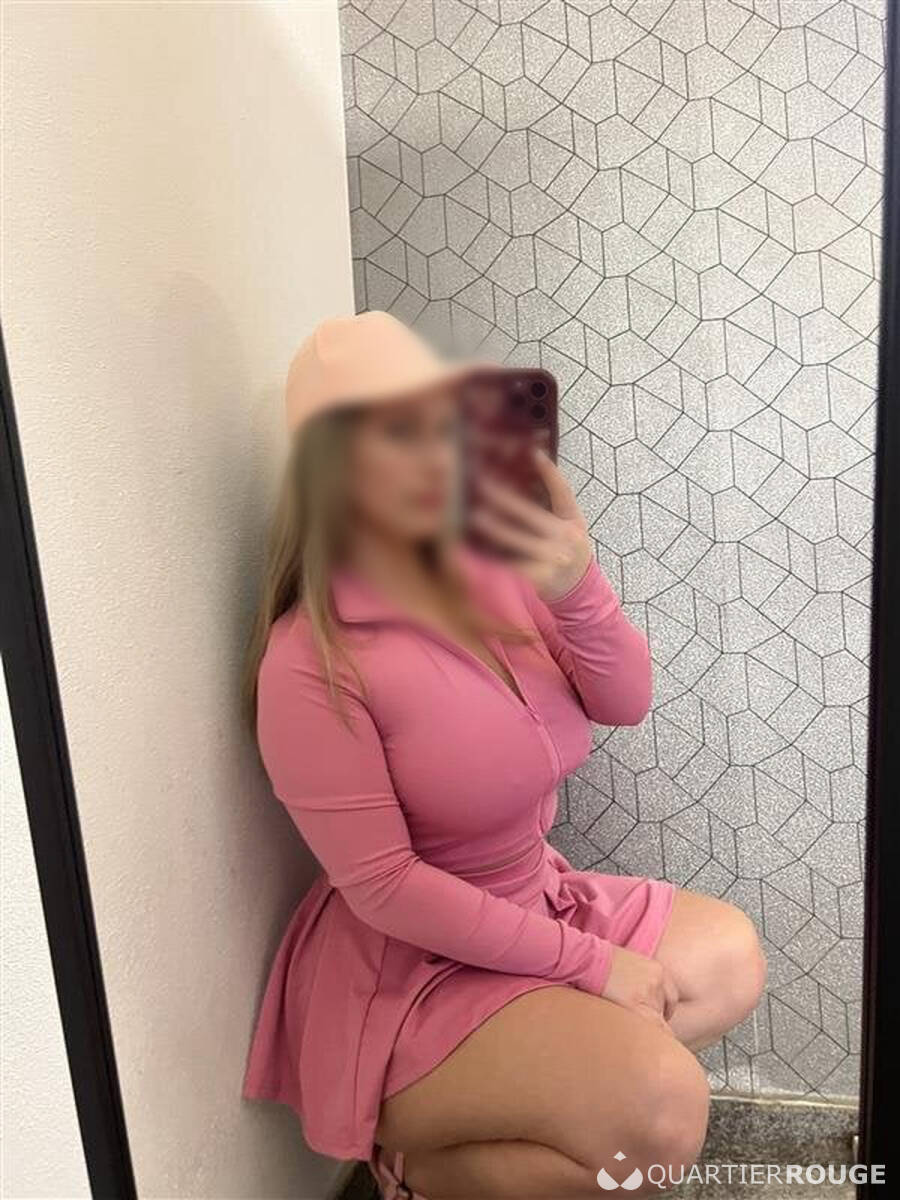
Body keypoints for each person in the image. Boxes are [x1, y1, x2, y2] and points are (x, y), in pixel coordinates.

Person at [242, 312, 766, 1199]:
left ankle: (507, 1127)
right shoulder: (309, 662)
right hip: (409, 969)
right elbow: (386, 888)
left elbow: (623, 700)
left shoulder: (496, 579)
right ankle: (419, 1162)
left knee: (727, 961)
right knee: (661, 1114)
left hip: (531, 899)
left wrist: (577, 582)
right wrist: (594, 968)